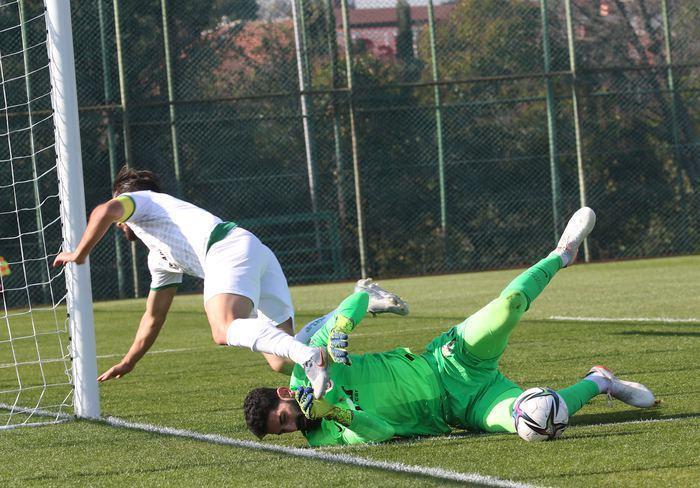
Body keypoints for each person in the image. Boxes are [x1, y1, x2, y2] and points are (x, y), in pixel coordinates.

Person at [243, 208, 657, 445]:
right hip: (465, 407)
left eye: (284, 419)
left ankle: (561, 253)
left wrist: (340, 327)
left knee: (508, 305)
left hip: (448, 361)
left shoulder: (309, 362)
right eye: (285, 431)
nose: (293, 427)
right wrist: (335, 411)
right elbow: (382, 433)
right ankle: (600, 382)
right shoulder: (323, 434)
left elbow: (359, 298)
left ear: (284, 394)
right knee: (536, 421)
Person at [52, 166, 404, 395]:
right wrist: (130, 360)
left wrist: (79, 253)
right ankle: (359, 301)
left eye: (120, 215)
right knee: (280, 361)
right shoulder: (158, 252)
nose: (118, 224)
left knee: (223, 329)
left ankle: (311, 358)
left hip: (227, 248)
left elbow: (104, 210)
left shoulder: (141, 202)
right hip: (252, 252)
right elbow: (153, 316)